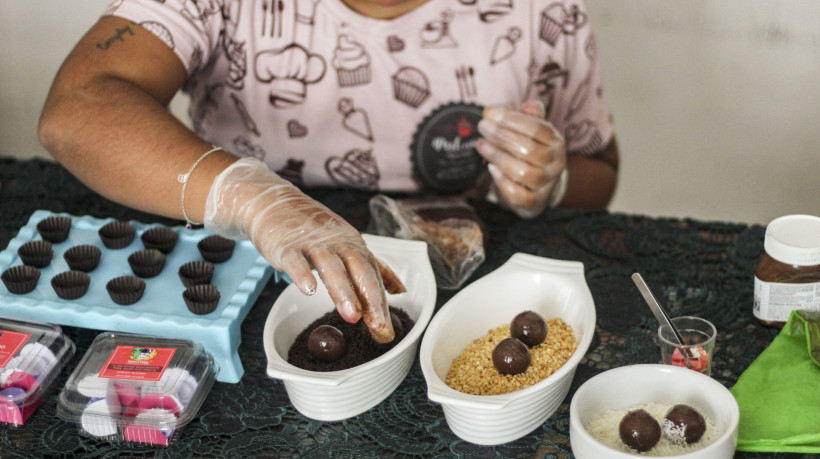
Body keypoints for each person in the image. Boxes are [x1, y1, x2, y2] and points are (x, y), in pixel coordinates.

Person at [38, 0, 619, 343]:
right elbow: (78, 108)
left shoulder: (541, 13)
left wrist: (553, 179)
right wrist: (250, 198)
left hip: (456, 298)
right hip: (235, 286)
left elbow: (602, 170)